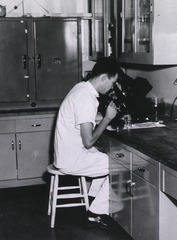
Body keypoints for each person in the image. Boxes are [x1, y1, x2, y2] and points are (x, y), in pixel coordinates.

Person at [53, 57, 120, 228]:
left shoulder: (82, 88)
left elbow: (82, 123)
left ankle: (93, 200)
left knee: (106, 157)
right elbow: (89, 141)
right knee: (120, 165)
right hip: (72, 159)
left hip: (67, 153)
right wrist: (107, 118)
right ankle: (96, 211)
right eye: (112, 83)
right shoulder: (86, 98)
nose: (112, 87)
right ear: (104, 77)